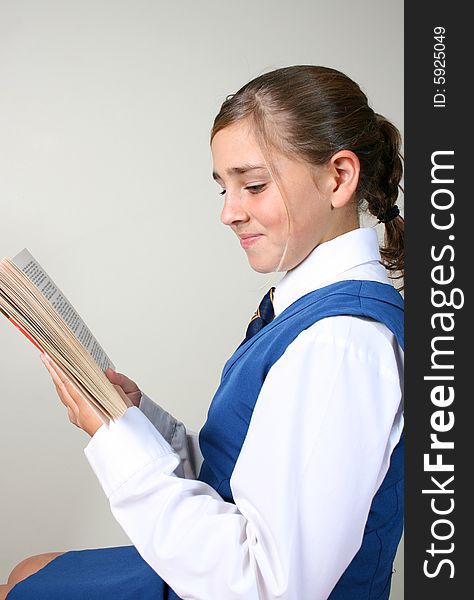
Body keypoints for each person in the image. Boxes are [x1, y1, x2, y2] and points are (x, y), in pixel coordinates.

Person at [2, 65, 404, 600]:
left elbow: (267, 587)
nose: (228, 213)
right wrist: (135, 418)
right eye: (224, 188)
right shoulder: (312, 314)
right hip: (225, 567)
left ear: (338, 177)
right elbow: (237, 477)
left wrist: (113, 440)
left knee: (21, 586)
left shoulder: (339, 344)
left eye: (253, 185)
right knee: (28, 569)